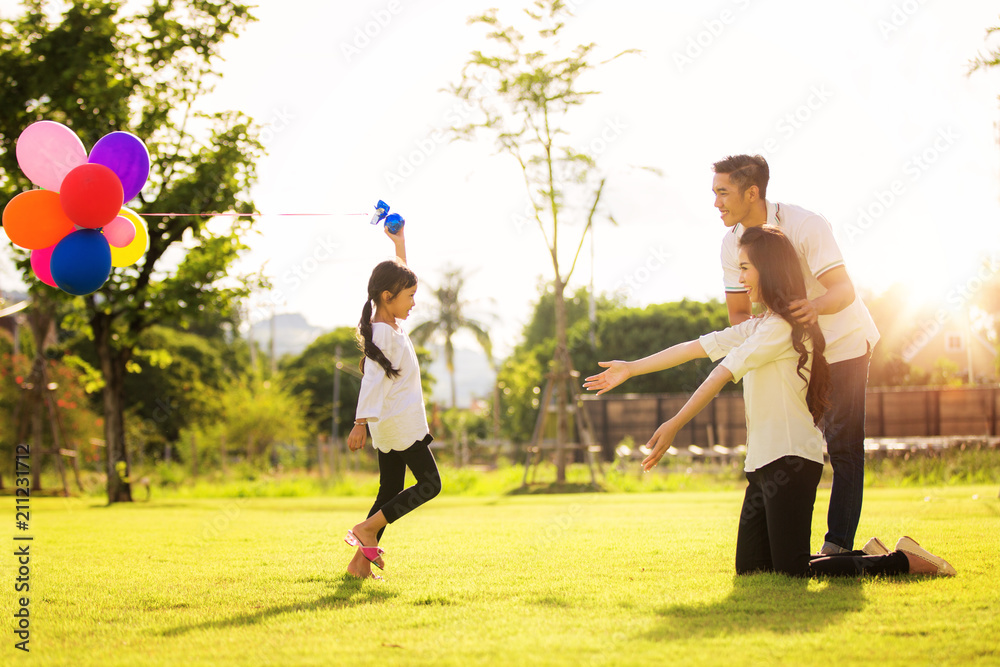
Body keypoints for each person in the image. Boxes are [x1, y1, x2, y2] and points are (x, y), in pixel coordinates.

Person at [584, 225, 953, 578]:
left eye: (745, 268)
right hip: (761, 463)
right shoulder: (760, 325)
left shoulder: (782, 327)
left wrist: (674, 424)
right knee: (753, 568)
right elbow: (695, 348)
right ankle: (869, 554)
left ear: (769, 269)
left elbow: (719, 374)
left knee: (791, 570)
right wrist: (631, 368)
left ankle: (902, 562)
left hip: (790, 461)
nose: (740, 278)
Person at [712, 154, 879, 555]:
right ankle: (785, 539)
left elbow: (843, 290)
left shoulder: (806, 224)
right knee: (797, 442)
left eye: (723, 193)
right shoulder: (731, 243)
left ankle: (837, 545)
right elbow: (739, 314)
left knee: (842, 444)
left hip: (842, 345)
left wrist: (814, 308)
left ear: (752, 192)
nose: (716, 203)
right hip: (792, 352)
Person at [345, 226, 441, 580]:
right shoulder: (384, 333)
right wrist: (359, 423)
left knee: (389, 490)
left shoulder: (385, 320)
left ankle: (359, 565)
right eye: (410, 296)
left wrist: (399, 243)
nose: (414, 302)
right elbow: (372, 380)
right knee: (430, 484)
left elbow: (398, 276)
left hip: (392, 425)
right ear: (388, 296)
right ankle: (367, 531)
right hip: (399, 425)